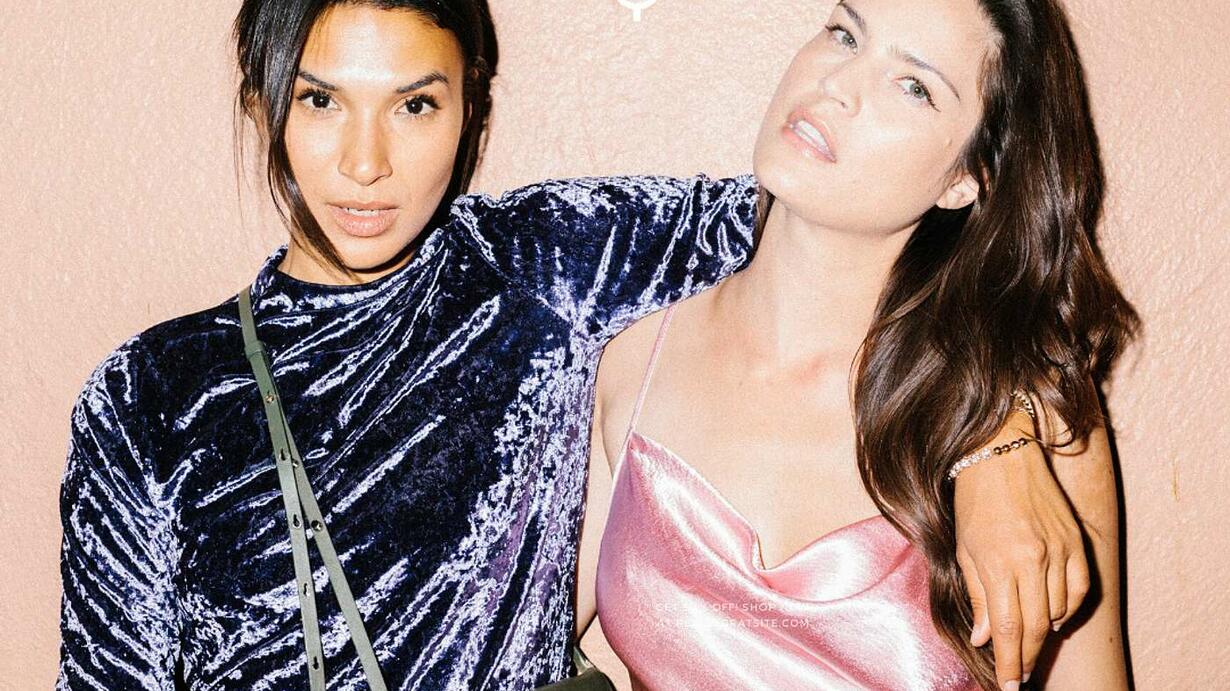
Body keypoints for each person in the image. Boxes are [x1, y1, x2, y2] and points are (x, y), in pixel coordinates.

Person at [58, 0, 1091, 688]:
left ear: (470, 105)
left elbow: (860, 230)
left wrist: (996, 434)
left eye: (414, 104)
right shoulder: (152, 394)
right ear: (260, 97)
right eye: (319, 99)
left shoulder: (548, 266)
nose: (364, 162)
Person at [581, 0, 1137, 689]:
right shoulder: (631, 361)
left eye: (914, 86)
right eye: (846, 34)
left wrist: (995, 428)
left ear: (965, 179)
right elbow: (504, 641)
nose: (836, 84)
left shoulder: (1033, 423)